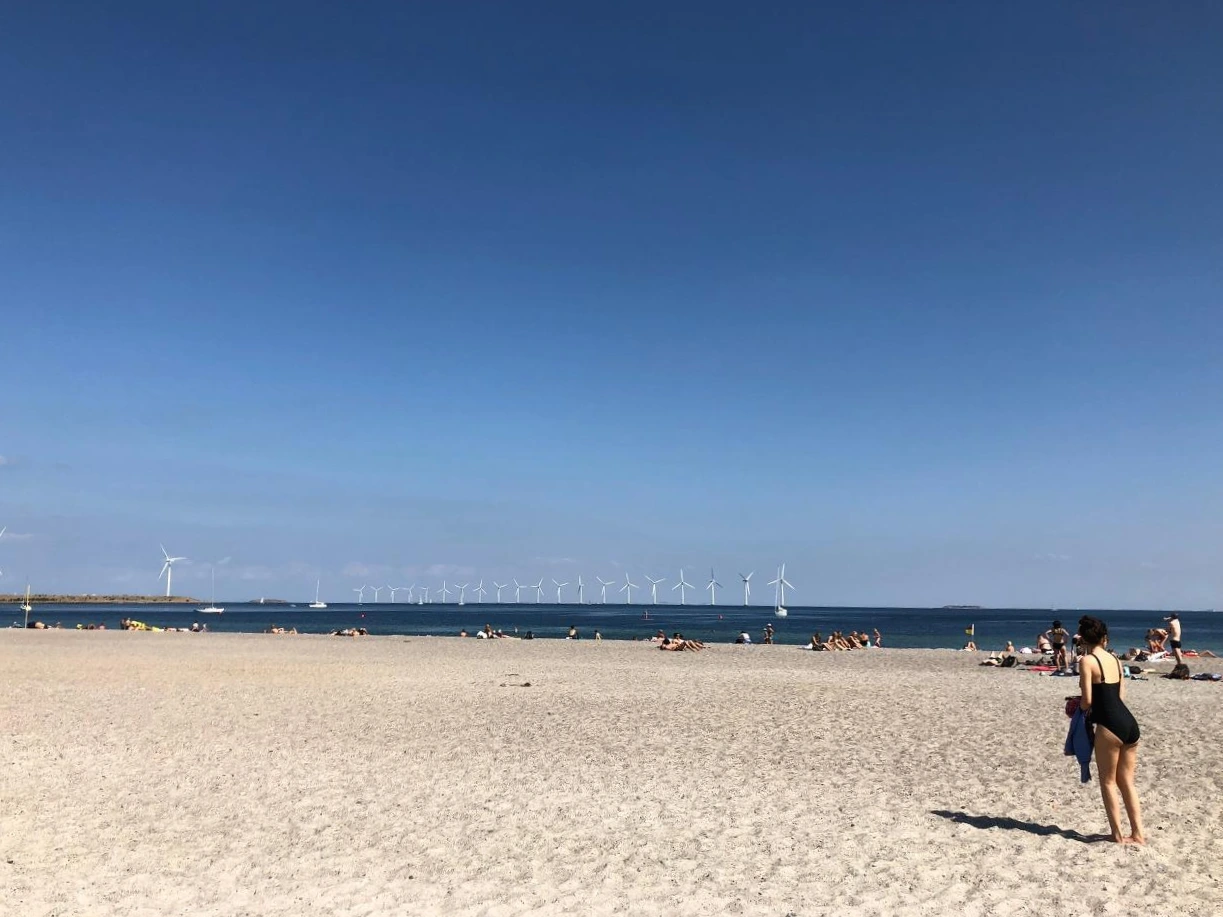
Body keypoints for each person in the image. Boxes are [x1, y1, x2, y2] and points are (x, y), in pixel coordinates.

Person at [1077, 615, 1144, 844]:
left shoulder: (1087, 661)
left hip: (1109, 726)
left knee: (1107, 781)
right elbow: (1120, 695)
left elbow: (1087, 700)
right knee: (1126, 781)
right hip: (1129, 723)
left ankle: (1116, 834)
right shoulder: (1115, 659)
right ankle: (1138, 834)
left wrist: (1078, 709)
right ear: (1104, 638)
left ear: (1083, 639)